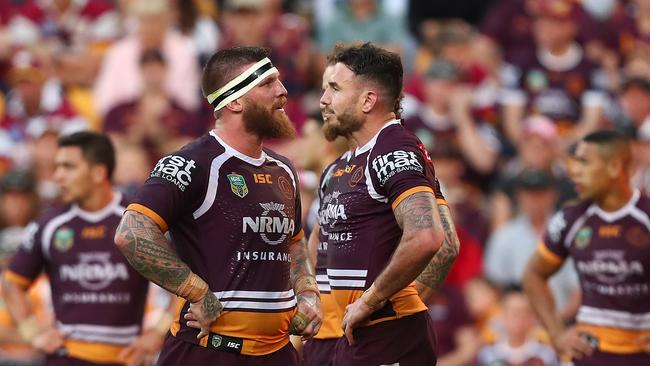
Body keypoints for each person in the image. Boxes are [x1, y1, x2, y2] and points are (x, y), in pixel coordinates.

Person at [114, 46, 322, 365]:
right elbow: (131, 232)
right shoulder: (194, 162)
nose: (282, 91)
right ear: (235, 100)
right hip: (208, 352)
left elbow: (293, 242)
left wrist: (308, 294)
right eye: (267, 83)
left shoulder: (284, 170)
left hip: (277, 354)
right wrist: (196, 291)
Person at [318, 42, 459, 365]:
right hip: (352, 333)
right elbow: (448, 243)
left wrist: (378, 301)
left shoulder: (394, 149)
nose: (323, 100)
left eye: (335, 89)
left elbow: (431, 237)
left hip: (386, 334)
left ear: (368, 100)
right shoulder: (345, 162)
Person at [1, 131, 166, 365]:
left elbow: (185, 282)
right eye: (57, 167)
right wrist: (33, 333)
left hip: (125, 357)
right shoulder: (49, 224)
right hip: (65, 357)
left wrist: (157, 334)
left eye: (68, 167)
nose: (57, 176)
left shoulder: (135, 219)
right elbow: (11, 284)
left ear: (98, 172)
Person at [523, 130, 650, 366]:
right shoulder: (571, 218)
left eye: (584, 162)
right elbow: (533, 274)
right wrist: (557, 334)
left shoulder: (645, 217)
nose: (574, 171)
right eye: (573, 161)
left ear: (614, 167)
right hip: (588, 356)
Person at [475, 288, 560, 366]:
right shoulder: (488, 355)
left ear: (532, 318)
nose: (519, 319)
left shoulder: (545, 354)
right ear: (503, 316)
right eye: (514, 313)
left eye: (524, 313)